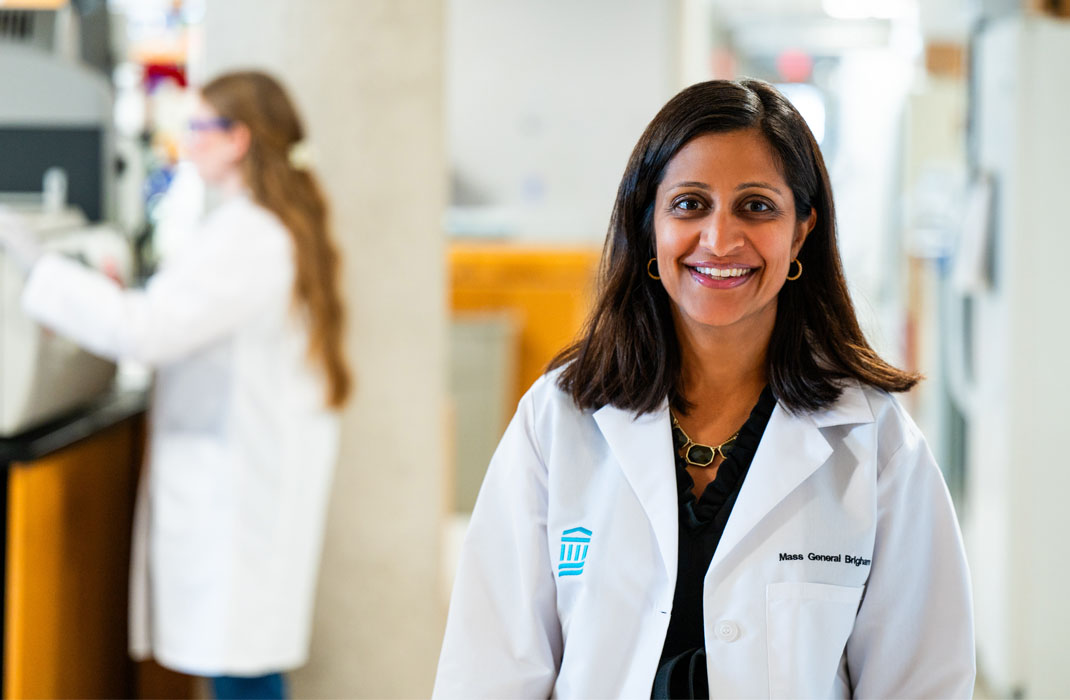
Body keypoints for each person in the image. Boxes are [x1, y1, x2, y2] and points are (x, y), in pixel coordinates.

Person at [432, 79, 974, 699]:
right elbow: (489, 669)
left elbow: (923, 681)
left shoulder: (875, 442)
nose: (719, 240)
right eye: (689, 204)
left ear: (800, 232)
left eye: (757, 206)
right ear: (649, 226)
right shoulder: (559, 419)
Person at [0, 71, 350, 700]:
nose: (186, 142)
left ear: (237, 139)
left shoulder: (248, 239)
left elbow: (148, 331)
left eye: (197, 128)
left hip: (237, 486)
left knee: (242, 669)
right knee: (244, 663)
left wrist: (40, 266)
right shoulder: (259, 228)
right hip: (247, 473)